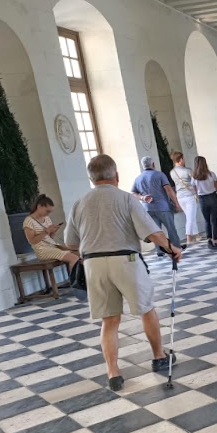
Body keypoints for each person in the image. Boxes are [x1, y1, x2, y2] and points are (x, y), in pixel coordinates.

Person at [65, 154, 182, 392]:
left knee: (109, 320)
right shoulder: (127, 200)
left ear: (92, 178)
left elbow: (69, 242)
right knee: (146, 309)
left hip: (93, 264)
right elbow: (152, 233)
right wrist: (171, 248)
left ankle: (113, 373)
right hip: (125, 260)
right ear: (116, 176)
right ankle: (159, 356)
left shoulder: (79, 202)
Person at [131, 156, 183, 257]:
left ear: (143, 166)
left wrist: (142, 197)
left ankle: (159, 251)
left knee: (155, 230)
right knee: (171, 229)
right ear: (153, 164)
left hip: (148, 209)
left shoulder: (138, 178)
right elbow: (168, 190)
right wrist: (176, 203)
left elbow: (133, 193)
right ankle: (176, 248)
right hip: (163, 207)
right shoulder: (160, 175)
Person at [23, 194, 80, 271]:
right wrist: (47, 231)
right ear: (39, 206)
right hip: (42, 250)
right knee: (73, 258)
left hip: (53, 246)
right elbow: (32, 241)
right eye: (47, 211)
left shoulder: (46, 218)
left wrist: (53, 231)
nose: (48, 214)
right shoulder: (29, 221)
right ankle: (75, 281)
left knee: (79, 253)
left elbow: (50, 238)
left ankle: (83, 279)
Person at [192, 156, 217, 250]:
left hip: (202, 199)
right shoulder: (212, 174)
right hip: (212, 197)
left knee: (207, 220)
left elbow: (195, 190)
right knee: (214, 220)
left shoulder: (194, 177)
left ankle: (209, 239)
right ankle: (216, 240)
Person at [170, 152, 199, 245]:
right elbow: (194, 183)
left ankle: (196, 234)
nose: (184, 160)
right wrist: (197, 193)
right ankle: (188, 237)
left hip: (180, 196)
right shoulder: (188, 170)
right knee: (190, 217)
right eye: (183, 158)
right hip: (189, 195)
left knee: (189, 215)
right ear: (180, 159)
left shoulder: (172, 172)